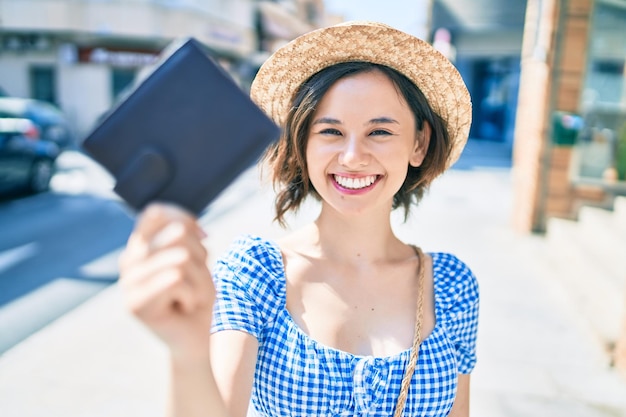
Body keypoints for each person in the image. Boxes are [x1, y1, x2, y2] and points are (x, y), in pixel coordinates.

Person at [119, 21, 479, 417]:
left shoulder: (452, 286)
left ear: (419, 143)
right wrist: (185, 350)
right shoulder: (255, 274)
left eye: (379, 131)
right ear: (302, 143)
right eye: (331, 132)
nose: (353, 157)